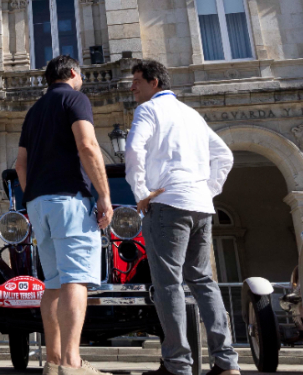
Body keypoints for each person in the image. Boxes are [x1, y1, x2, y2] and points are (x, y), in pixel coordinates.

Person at [123, 60, 238, 375]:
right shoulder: (192, 115)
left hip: (168, 203)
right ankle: (226, 362)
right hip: (200, 205)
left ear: (154, 82)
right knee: (203, 280)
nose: (132, 86)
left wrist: (141, 194)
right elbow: (224, 155)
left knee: (168, 284)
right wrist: (207, 190)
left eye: (137, 80)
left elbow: (133, 152)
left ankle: (178, 363)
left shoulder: (148, 111)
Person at [15, 54, 113, 375]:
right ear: (72, 72)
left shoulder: (33, 112)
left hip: (38, 203)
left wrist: (32, 198)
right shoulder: (75, 98)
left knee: (53, 283)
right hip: (69, 199)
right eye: (80, 74)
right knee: (75, 279)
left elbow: (20, 164)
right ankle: (72, 362)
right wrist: (104, 195)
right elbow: (87, 145)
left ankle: (53, 361)